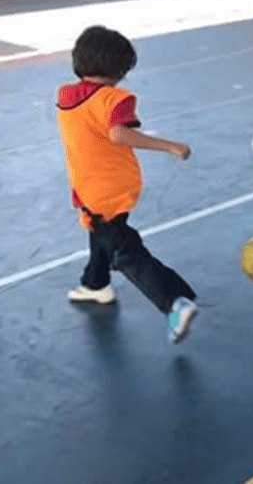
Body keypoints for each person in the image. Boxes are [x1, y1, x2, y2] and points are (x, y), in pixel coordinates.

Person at [57, 26, 198, 343]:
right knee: (102, 233)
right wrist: (170, 145)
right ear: (119, 69)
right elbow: (118, 133)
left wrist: (164, 145)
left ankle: (174, 302)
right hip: (105, 185)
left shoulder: (66, 95)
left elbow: (111, 132)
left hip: (98, 187)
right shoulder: (114, 99)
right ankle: (96, 285)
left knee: (124, 250)